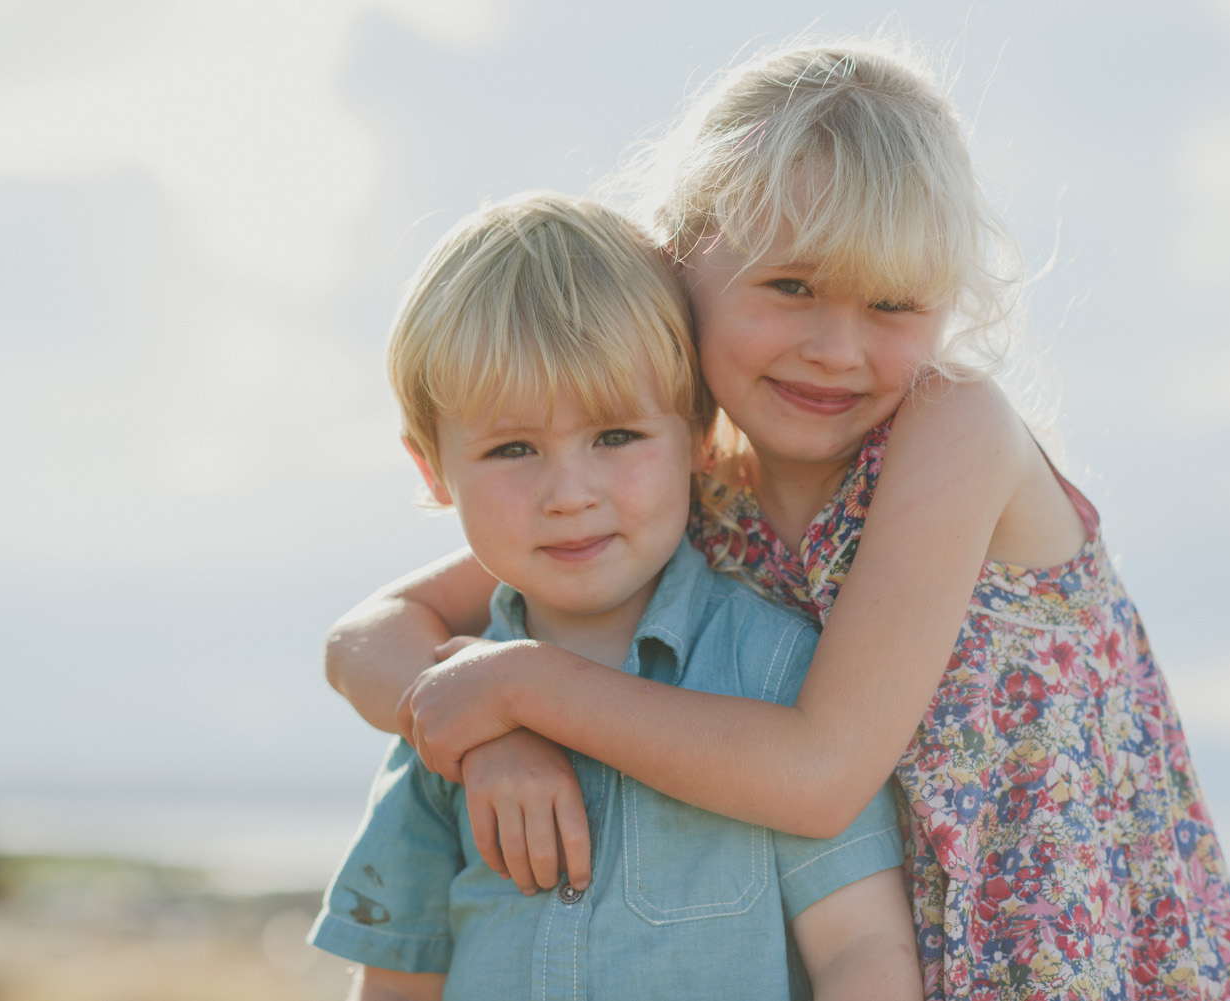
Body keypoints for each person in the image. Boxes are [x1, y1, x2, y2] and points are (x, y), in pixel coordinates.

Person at [330, 39, 1230, 1000]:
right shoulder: (686, 493)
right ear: (681, 257)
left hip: (1076, 961)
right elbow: (364, 638)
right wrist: (489, 735)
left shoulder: (953, 429)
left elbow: (821, 772)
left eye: (894, 303)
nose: (837, 348)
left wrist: (522, 687)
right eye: (792, 285)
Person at [308, 191, 919, 1001]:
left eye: (616, 437)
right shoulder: (447, 718)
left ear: (701, 434)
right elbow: (398, 977)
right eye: (513, 447)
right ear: (431, 469)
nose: (569, 492)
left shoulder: (774, 672)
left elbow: (862, 949)